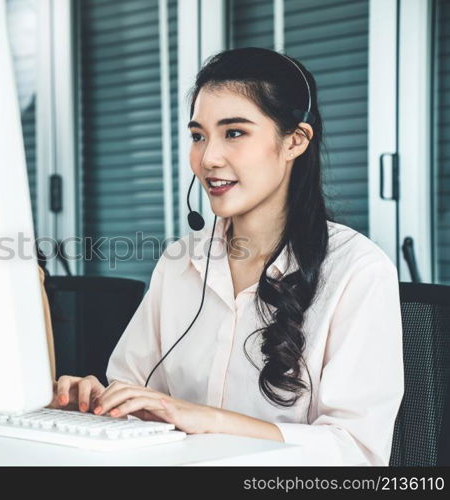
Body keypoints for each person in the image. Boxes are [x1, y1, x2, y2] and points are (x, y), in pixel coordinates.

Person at [49, 47, 404, 466]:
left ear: (295, 141)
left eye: (234, 133)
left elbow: (357, 452)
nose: (208, 159)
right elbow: (134, 390)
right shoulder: (180, 262)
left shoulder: (356, 269)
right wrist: (98, 404)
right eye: (198, 136)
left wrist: (205, 419)